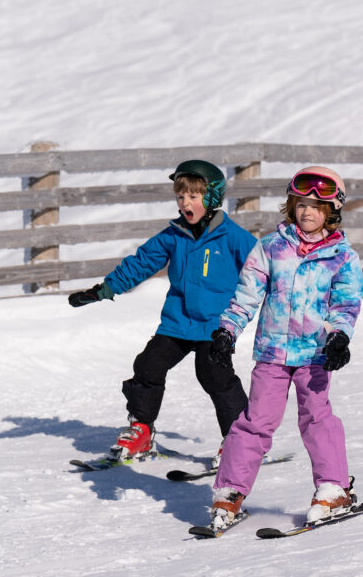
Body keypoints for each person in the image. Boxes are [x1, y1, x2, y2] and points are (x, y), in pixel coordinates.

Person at [205, 165, 363, 532]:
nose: (307, 212)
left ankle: (333, 489)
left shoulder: (342, 257)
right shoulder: (271, 248)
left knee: (317, 419)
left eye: (316, 206)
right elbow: (247, 295)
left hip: (315, 355)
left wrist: (340, 336)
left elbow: (346, 303)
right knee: (254, 423)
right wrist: (227, 330)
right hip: (272, 354)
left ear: (332, 211)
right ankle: (229, 492)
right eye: (300, 204)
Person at [67, 160, 257, 460]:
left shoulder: (234, 237)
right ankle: (141, 429)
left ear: (212, 198)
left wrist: (284, 304)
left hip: (216, 326)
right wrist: (105, 289)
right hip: (177, 322)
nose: (185, 203)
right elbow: (142, 263)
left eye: (193, 196)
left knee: (214, 376)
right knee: (148, 366)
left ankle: (240, 439)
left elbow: (262, 271)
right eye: (180, 197)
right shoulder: (173, 235)